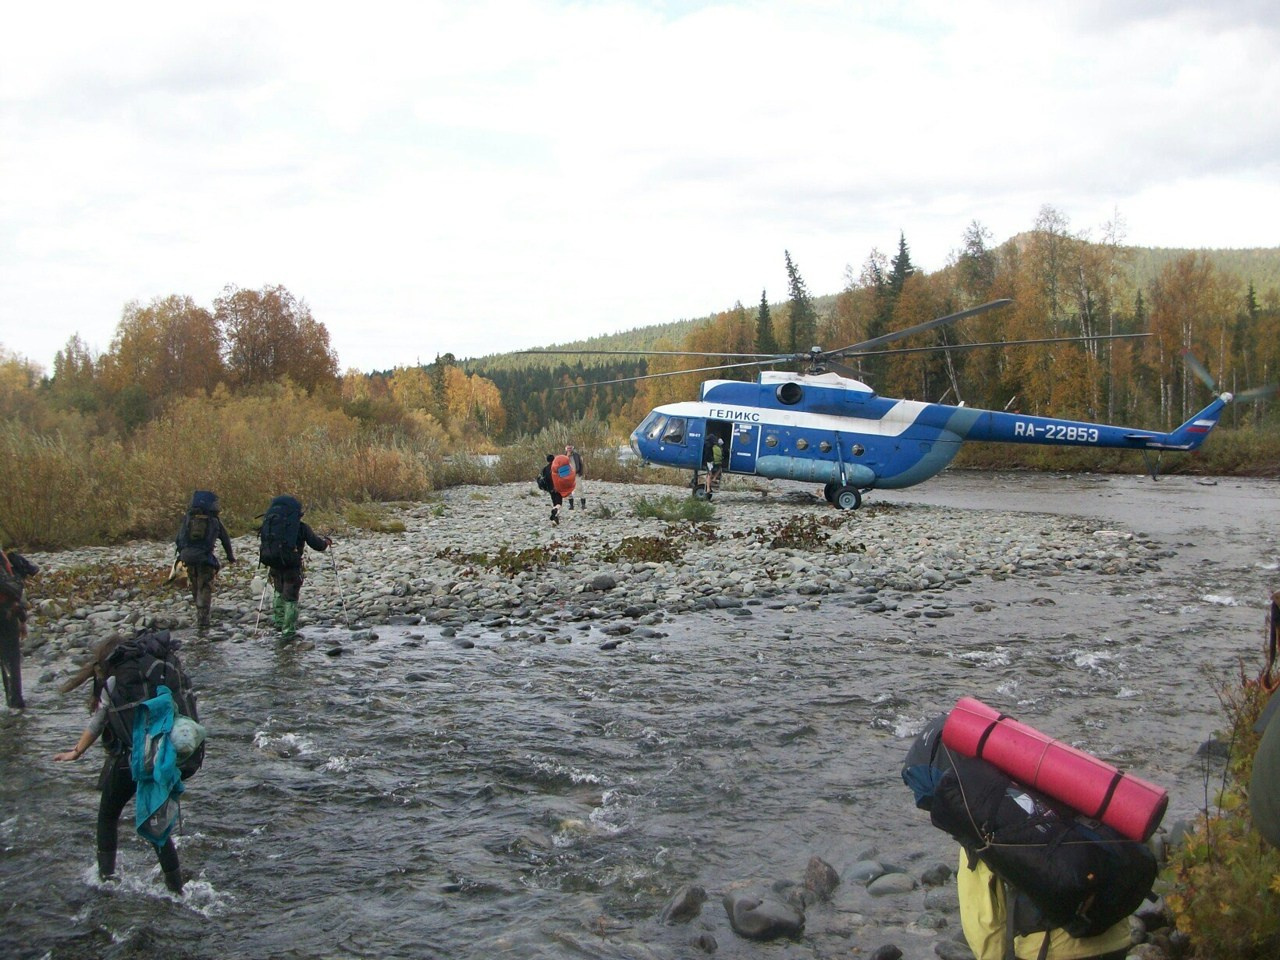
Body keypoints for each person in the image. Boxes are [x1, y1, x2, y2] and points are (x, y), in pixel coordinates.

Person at [52, 632, 194, 894]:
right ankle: (177, 890)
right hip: (160, 757)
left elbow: (99, 720)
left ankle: (105, 877)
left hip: (128, 760)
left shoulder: (114, 678)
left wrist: (76, 751)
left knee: (107, 815)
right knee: (157, 827)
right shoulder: (155, 674)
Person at [956, 850, 1131, 960]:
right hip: (1115, 938)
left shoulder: (983, 818)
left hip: (1047, 951)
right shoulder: (1090, 798)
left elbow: (983, 919)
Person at [258, 495, 331, 641]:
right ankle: (288, 631)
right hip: (292, 565)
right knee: (291, 597)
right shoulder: (301, 527)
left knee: (278, 591)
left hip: (274, 563)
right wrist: (326, 542)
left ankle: (278, 622)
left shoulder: (270, 523)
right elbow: (318, 545)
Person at [175, 490, 235, 631]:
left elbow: (178, 539)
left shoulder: (188, 518)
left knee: (195, 582)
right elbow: (225, 540)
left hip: (187, 556)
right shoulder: (214, 520)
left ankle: (199, 611)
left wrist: (182, 554)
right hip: (204, 557)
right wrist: (230, 557)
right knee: (205, 585)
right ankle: (203, 618)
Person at [0, 547, 37, 709]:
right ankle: (15, 705)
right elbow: (10, 590)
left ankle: (14, 705)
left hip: (7, 610)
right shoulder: (4, 559)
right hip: (6, 612)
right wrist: (22, 618)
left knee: (9, 661)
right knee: (10, 659)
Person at [540, 454, 564, 525]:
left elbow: (544, 479)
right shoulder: (558, 467)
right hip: (558, 487)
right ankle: (554, 512)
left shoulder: (545, 469)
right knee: (559, 503)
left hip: (550, 489)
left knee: (554, 502)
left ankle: (555, 519)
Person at [565, 444, 586, 511]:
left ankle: (583, 505)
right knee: (568, 490)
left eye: (570, 448)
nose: (569, 450)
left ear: (572, 448)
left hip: (576, 474)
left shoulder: (577, 455)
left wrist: (581, 472)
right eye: (568, 448)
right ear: (566, 449)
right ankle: (571, 506)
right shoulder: (563, 456)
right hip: (568, 475)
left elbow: (581, 464)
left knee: (579, 488)